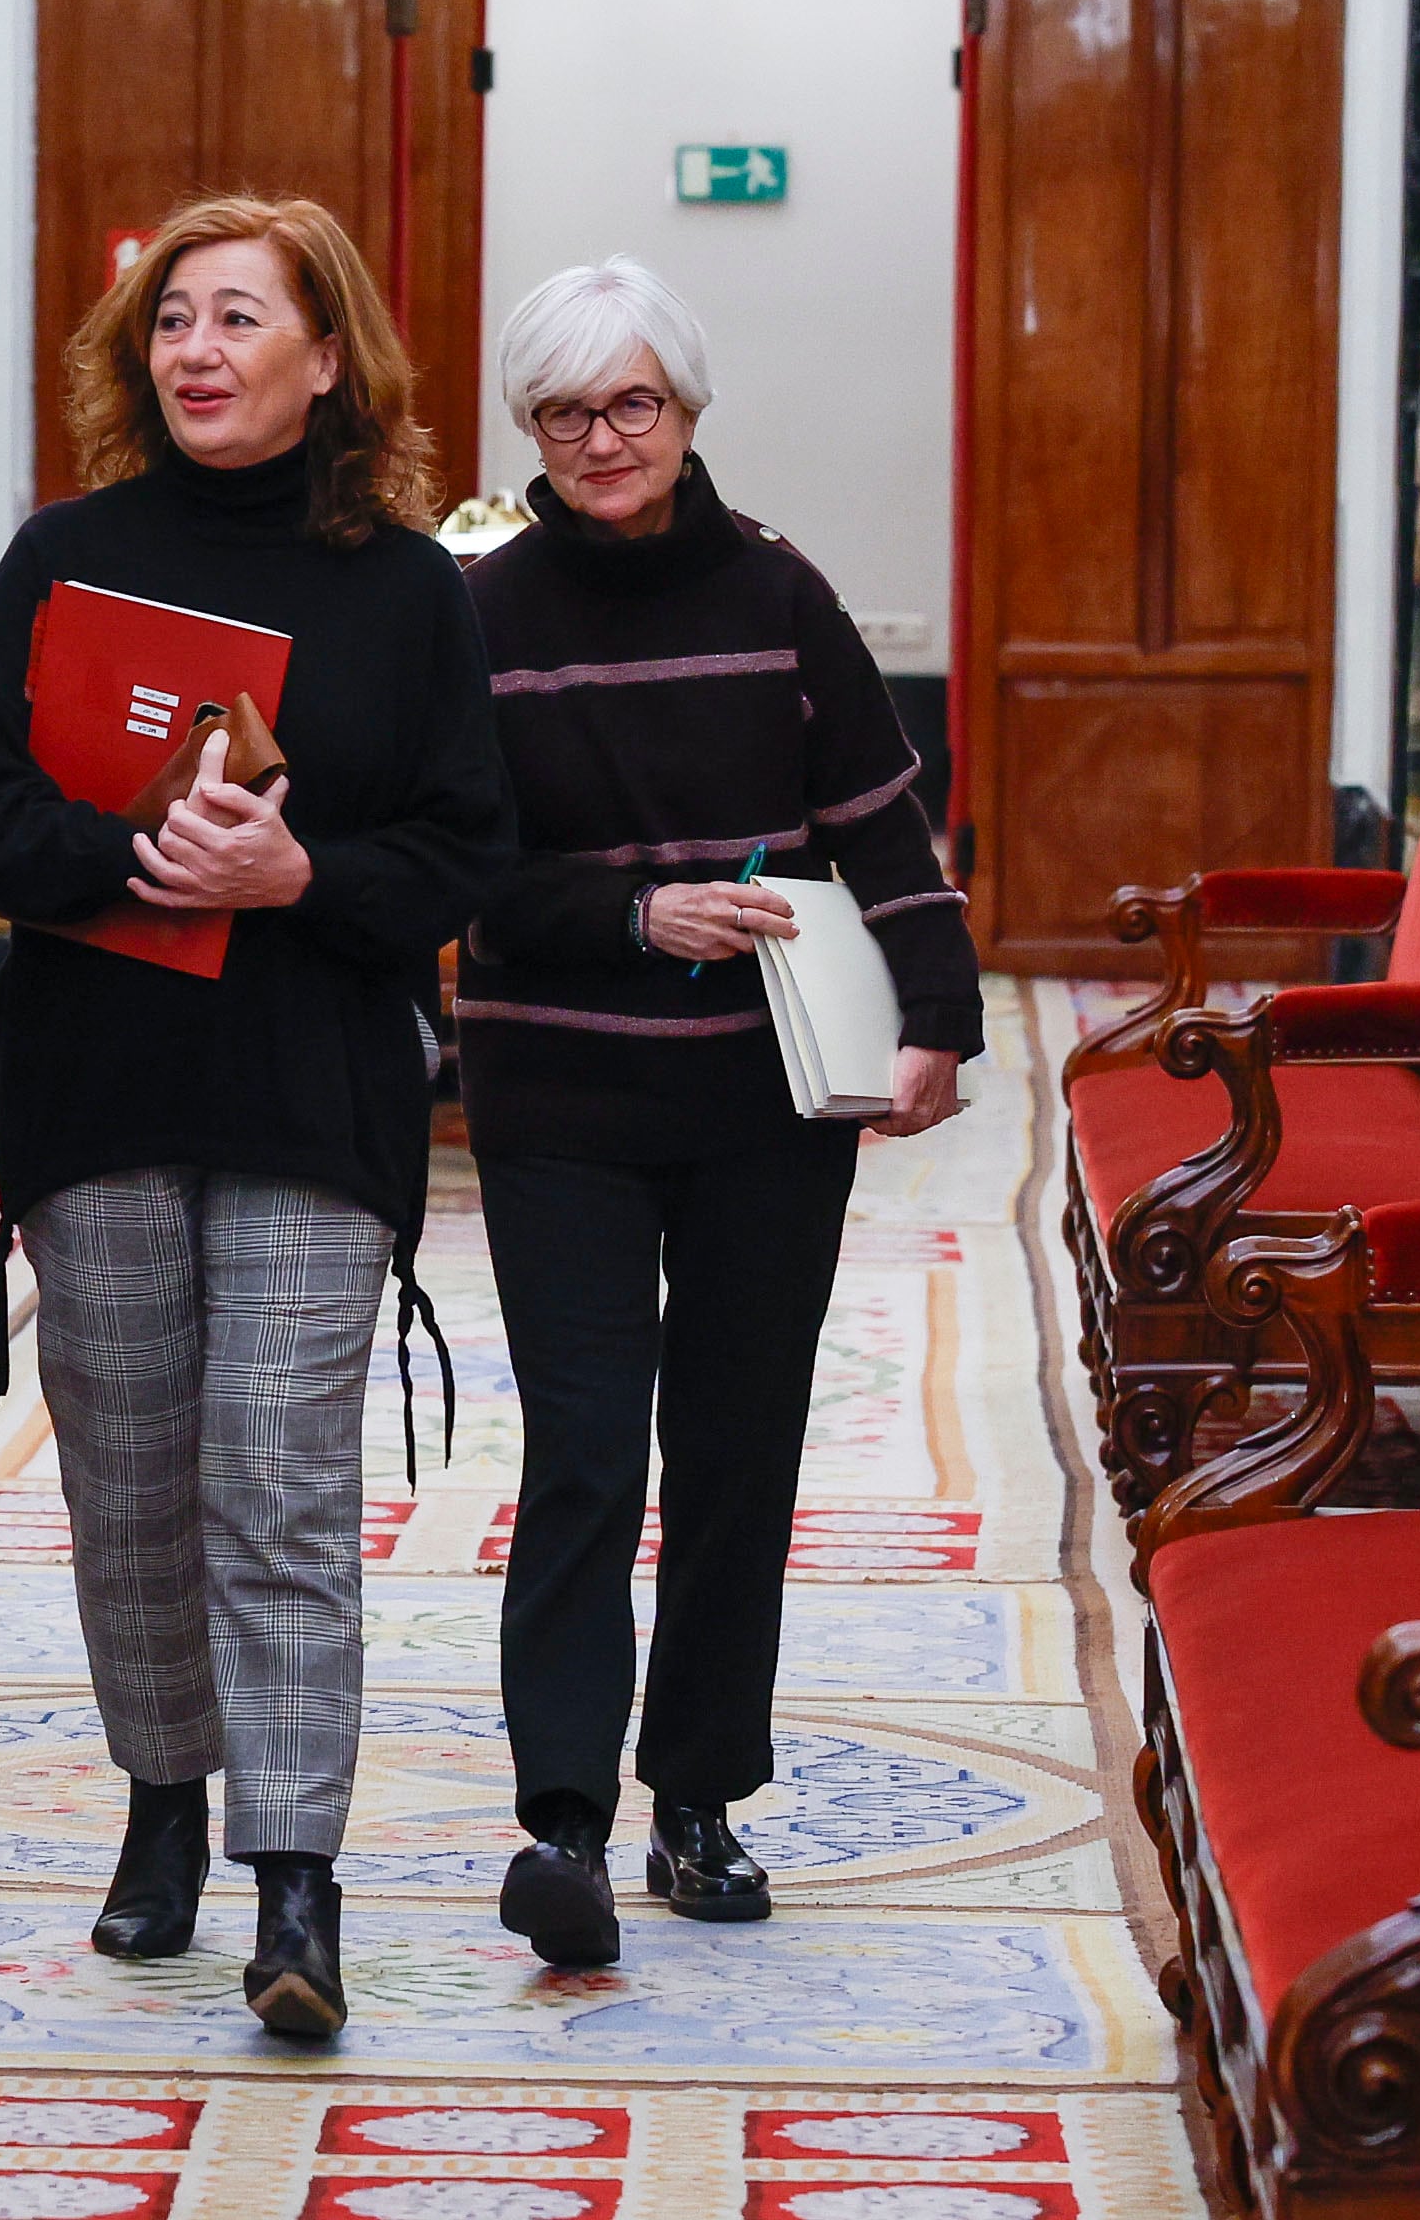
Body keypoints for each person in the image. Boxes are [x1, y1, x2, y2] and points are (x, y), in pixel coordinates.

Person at [0, 195, 511, 2040]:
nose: (196, 349)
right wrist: (149, 856)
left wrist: (299, 870)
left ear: (325, 355)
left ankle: (295, 1875)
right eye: (171, 319)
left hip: (310, 1090)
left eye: (238, 318)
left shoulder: (410, 587)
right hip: (98, 1086)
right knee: (130, 1480)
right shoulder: (63, 554)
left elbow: (464, 849)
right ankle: (161, 1799)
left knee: (273, 1471)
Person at [455, 257, 982, 1969]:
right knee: (587, 1450)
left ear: (687, 411)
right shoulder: (482, 613)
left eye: (634, 405)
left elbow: (882, 825)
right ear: (527, 427)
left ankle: (698, 1795)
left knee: (739, 1447)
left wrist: (942, 1018)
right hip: (559, 1088)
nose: (602, 439)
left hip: (767, 1098)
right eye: (565, 411)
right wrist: (631, 913)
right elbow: (453, 868)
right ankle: (563, 1822)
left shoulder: (779, 592)